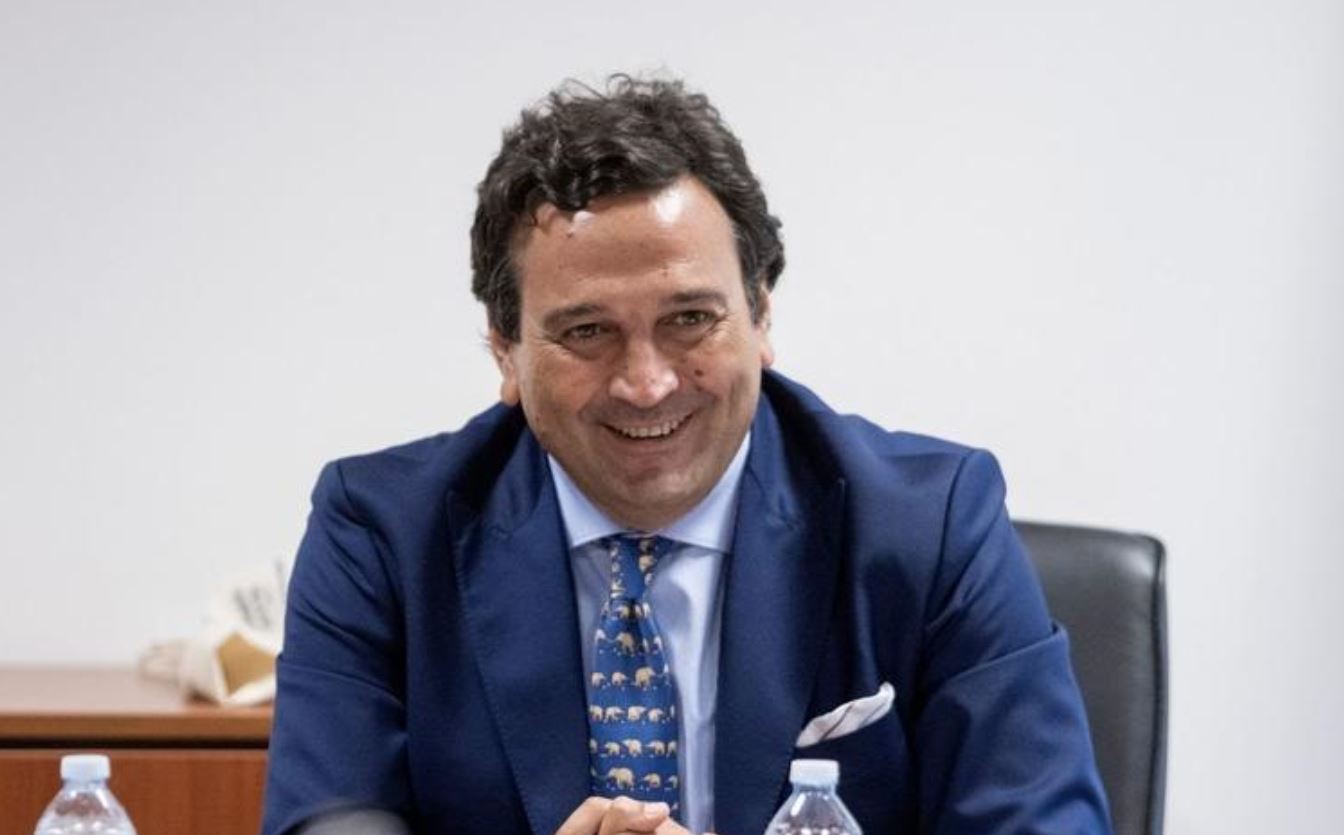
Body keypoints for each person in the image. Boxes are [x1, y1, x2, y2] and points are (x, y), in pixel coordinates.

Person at [261, 75, 1112, 835]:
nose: (647, 383)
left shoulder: (933, 523)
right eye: (586, 331)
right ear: (505, 351)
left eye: (690, 319)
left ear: (761, 316)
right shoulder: (381, 532)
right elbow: (331, 816)